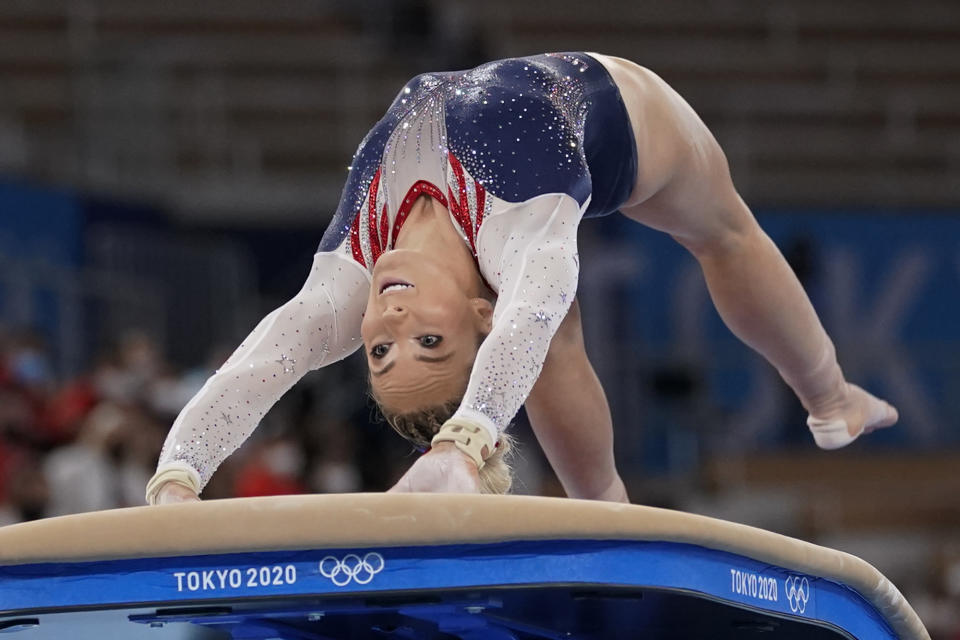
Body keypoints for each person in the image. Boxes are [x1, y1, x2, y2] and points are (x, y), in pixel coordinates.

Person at [146, 52, 898, 506]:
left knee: (555, 326)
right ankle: (815, 403)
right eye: (431, 344)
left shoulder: (349, 280)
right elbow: (527, 321)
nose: (393, 332)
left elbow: (257, 366)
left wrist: (176, 478)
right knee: (720, 236)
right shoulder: (516, 234)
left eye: (379, 355)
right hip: (622, 123)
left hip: (551, 109)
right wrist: (464, 447)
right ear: (479, 311)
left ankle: (827, 404)